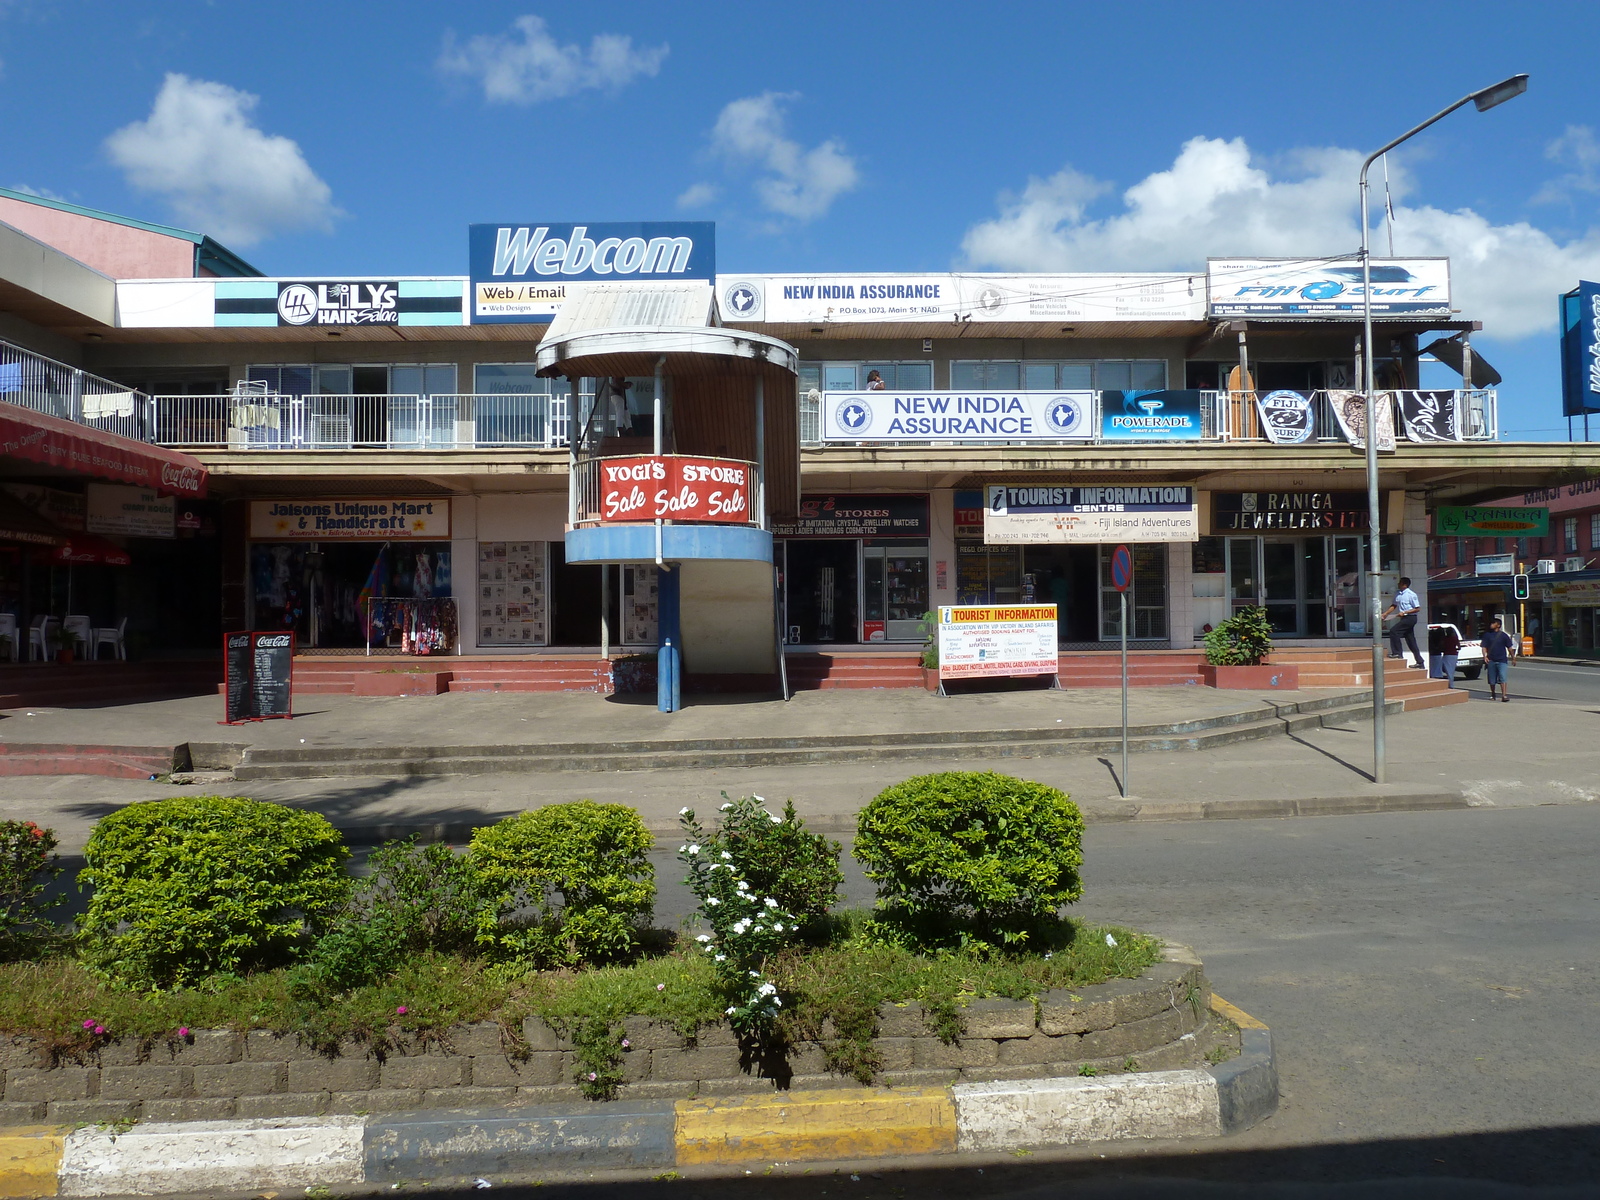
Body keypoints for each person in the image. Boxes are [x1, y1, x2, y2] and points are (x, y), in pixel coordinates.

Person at [1382, 576, 1423, 667]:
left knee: (1394, 631)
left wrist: (1405, 612)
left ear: (1405, 585)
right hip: (1404, 618)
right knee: (1411, 640)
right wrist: (1385, 614)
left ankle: (1397, 653)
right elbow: (1394, 605)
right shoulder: (1398, 594)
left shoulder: (1411, 594)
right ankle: (1420, 662)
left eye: (1400, 582)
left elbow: (1417, 608)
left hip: (1410, 618)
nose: (1398, 584)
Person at [1481, 617, 1516, 702]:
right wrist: (1485, 656)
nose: (1491, 625)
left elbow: (1510, 648)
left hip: (1502, 660)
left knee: (1503, 677)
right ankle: (1493, 694)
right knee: (1492, 679)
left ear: (1498, 625)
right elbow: (1484, 647)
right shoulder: (1487, 635)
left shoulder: (1503, 635)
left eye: (1493, 623)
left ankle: (1504, 695)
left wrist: (1513, 658)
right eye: (1491, 623)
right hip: (1491, 660)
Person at [1437, 624, 1461, 689]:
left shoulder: (1445, 639)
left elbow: (1441, 646)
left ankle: (1451, 684)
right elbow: (1459, 647)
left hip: (1447, 654)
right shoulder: (1455, 638)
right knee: (1451, 670)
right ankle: (1451, 684)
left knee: (1447, 670)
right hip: (1454, 655)